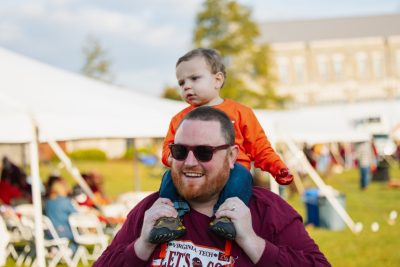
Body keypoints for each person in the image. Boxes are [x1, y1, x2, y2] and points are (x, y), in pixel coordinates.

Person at [94, 107, 330, 266]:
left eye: (204, 152)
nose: (189, 162)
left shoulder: (266, 211)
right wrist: (141, 246)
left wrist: (252, 242)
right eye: (179, 151)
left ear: (231, 156)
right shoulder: (152, 210)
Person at [153, 48, 293, 243]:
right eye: (181, 82)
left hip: (233, 170)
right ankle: (169, 217)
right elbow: (168, 149)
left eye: (194, 78)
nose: (186, 86)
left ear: (217, 80)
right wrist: (178, 160)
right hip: (194, 173)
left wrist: (277, 167)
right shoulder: (179, 118)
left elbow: (259, 146)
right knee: (169, 177)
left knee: (241, 177)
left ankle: (227, 218)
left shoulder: (240, 112)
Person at [44, 175, 78, 253]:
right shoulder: (65, 201)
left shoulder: (48, 201)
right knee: (78, 235)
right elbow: (77, 215)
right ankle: (70, 251)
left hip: (49, 232)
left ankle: (56, 250)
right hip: (62, 231)